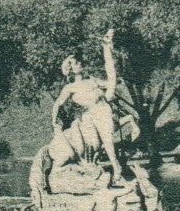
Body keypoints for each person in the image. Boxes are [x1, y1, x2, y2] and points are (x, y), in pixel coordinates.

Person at [47, 29, 123, 182]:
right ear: (70, 69)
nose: (80, 64)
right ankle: (90, 169)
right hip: (89, 116)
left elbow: (111, 83)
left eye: (79, 62)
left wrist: (109, 88)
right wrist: (54, 122)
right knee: (93, 144)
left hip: (101, 110)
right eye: (76, 63)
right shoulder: (70, 88)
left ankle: (116, 167)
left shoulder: (92, 80)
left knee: (107, 140)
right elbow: (58, 104)